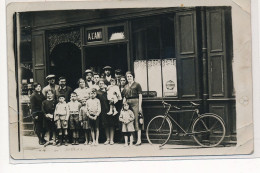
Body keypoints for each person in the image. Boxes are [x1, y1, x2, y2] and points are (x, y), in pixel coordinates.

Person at [122, 71, 143, 146]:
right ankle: (133, 139)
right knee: (130, 120)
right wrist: (124, 103)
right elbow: (124, 96)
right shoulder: (126, 86)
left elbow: (140, 95)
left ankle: (139, 140)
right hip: (128, 104)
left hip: (136, 103)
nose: (129, 78)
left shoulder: (137, 85)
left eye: (130, 76)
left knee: (137, 120)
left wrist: (140, 106)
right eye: (127, 76)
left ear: (133, 77)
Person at [96, 78, 115, 145]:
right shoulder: (97, 92)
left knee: (111, 124)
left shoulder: (109, 91)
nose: (101, 85)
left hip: (110, 109)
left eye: (102, 83)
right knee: (106, 125)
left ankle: (112, 139)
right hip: (103, 110)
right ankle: (108, 139)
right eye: (100, 84)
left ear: (105, 84)